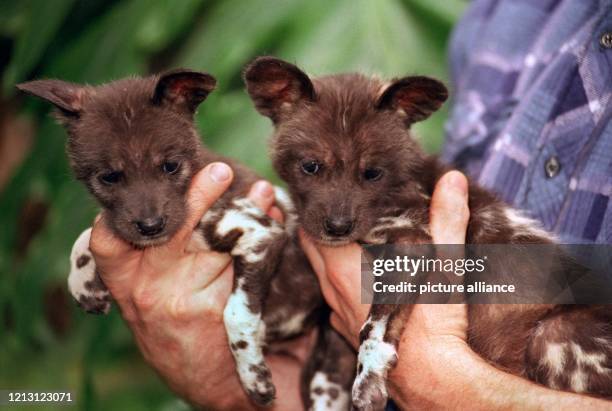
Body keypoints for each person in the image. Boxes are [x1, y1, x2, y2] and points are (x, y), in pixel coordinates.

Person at [89, 0, 612, 409]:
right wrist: (229, 386)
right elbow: (558, 272)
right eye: (312, 169)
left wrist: (459, 393)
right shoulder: (506, 14)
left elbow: (555, 284)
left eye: (368, 174)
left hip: (557, 334)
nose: (338, 212)